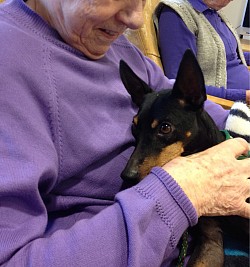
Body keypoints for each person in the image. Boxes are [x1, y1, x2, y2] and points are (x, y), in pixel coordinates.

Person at [0, 0, 249, 266]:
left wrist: (239, 128)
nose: (137, 20)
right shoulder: (10, 65)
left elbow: (169, 91)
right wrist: (182, 193)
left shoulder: (108, 41)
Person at [154, 0, 250, 104]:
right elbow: (181, 84)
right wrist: (243, 96)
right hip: (227, 106)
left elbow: (227, 57)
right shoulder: (175, 15)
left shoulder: (213, 13)